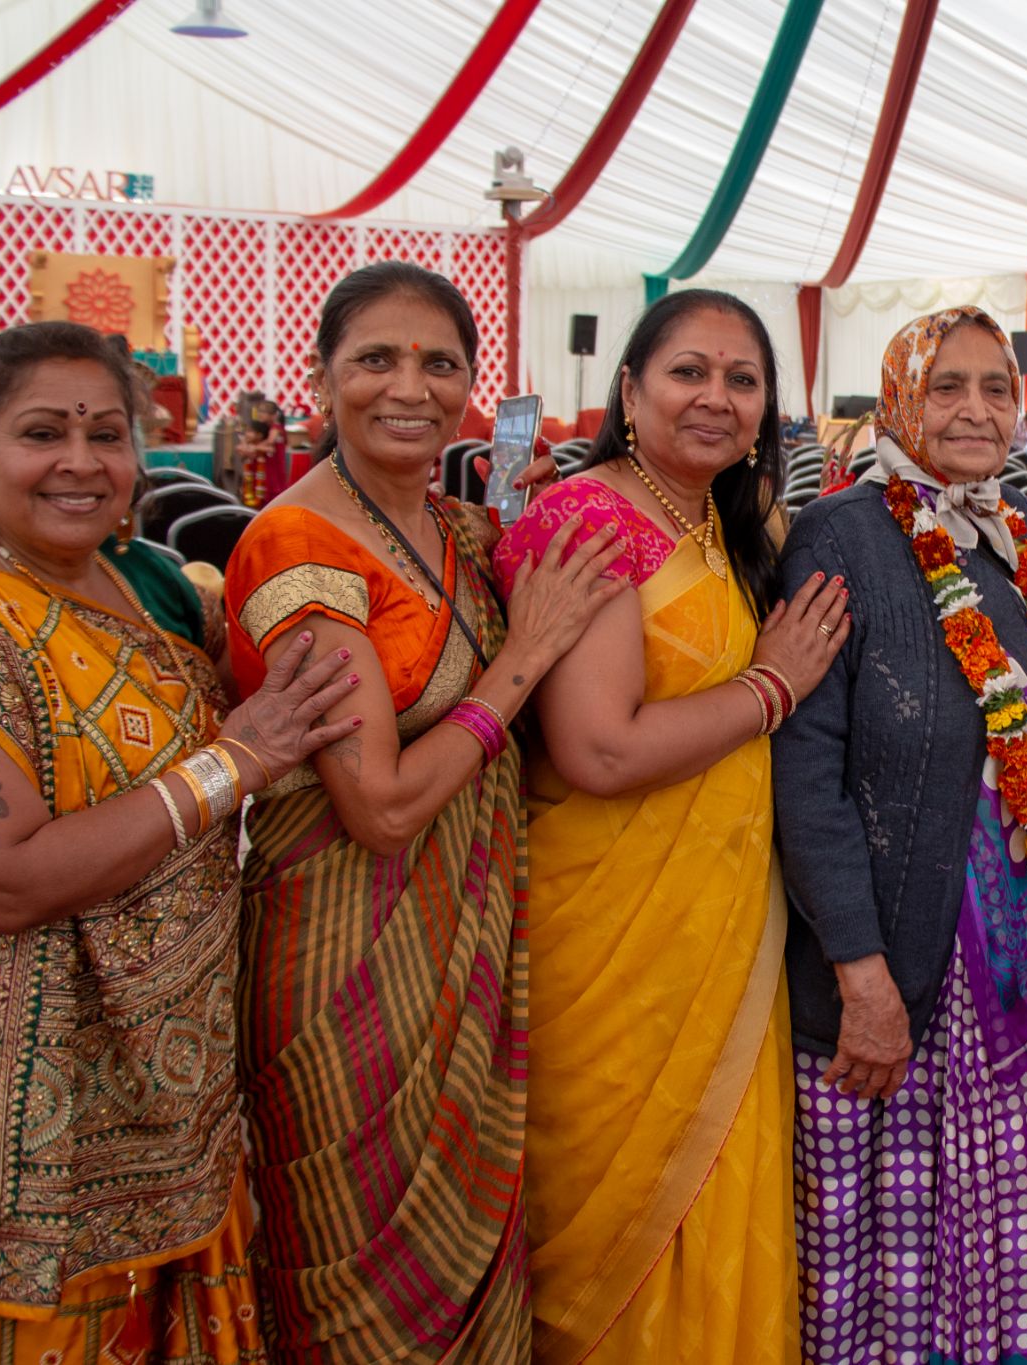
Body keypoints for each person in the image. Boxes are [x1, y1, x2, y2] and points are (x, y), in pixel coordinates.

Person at [221, 262, 621, 1362]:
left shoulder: (449, 523)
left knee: (473, 1242)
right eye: (376, 360)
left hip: (469, 939)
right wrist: (527, 652)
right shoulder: (296, 547)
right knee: (360, 1279)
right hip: (346, 959)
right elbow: (382, 807)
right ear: (320, 381)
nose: (411, 386)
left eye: (439, 362)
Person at [0, 320, 356, 1359]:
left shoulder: (152, 584)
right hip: (28, 1102)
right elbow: (3, 882)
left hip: (177, 1078)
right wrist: (238, 762)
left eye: (107, 434)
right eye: (42, 433)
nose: (81, 462)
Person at [492, 289, 848, 1362]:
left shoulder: (730, 526)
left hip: (721, 932)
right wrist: (772, 688)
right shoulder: (587, 518)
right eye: (688, 372)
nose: (717, 398)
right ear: (628, 388)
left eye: (743, 381)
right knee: (610, 1233)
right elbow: (598, 751)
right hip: (609, 941)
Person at [774, 307, 1027, 1364]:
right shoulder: (841, 534)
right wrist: (860, 977)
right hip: (896, 961)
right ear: (899, 397)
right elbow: (804, 772)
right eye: (946, 386)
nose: (972, 410)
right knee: (883, 1258)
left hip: (1021, 962)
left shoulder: (1021, 537)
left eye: (994, 388)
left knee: (1006, 1231)